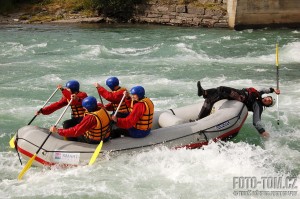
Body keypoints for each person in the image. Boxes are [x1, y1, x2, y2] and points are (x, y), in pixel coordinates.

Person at [196, 81, 280, 138]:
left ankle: (204, 93)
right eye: (269, 98)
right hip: (239, 93)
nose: (268, 100)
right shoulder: (259, 94)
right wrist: (273, 90)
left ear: (267, 105)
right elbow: (264, 90)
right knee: (210, 99)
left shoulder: (258, 106)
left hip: (240, 97)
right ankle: (200, 118)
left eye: (269, 102)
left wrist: (262, 131)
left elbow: (256, 120)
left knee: (222, 89)